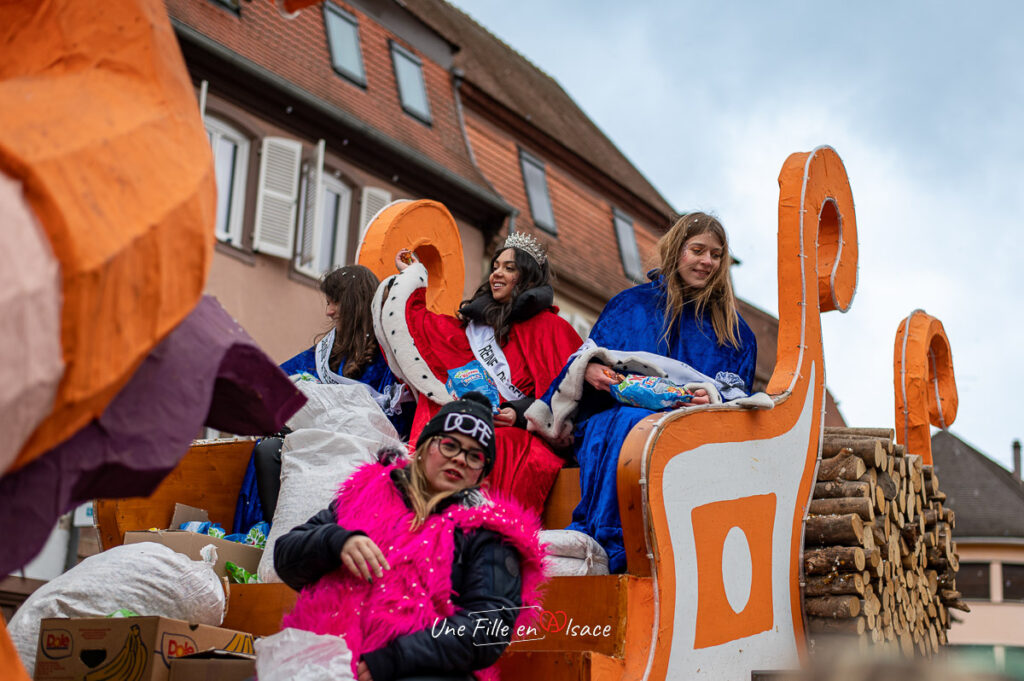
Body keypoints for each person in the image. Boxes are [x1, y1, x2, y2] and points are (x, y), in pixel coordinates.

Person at [527, 212, 761, 573]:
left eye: (715, 255)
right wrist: (588, 369)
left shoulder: (735, 333)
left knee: (644, 424)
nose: (706, 262)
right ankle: (596, 534)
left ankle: (610, 544)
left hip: (689, 433)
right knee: (628, 421)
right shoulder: (629, 305)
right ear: (676, 251)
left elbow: (736, 398)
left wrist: (712, 400)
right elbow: (585, 358)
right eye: (697, 250)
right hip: (613, 420)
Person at [274, 392, 546, 681]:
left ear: (482, 477)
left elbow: (488, 628)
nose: (459, 459)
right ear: (423, 448)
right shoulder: (363, 494)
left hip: (421, 672)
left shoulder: (490, 536)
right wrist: (335, 541)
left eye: (474, 456)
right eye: (449, 445)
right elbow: (286, 559)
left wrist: (393, 659)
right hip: (328, 659)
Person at [375, 233, 582, 514]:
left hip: (522, 433)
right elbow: (427, 331)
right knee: (447, 439)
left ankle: (481, 526)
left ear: (527, 277)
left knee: (492, 445)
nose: (497, 273)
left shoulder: (553, 328)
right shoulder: (477, 326)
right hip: (475, 420)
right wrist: (414, 276)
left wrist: (518, 414)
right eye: (496, 266)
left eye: (509, 268)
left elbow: (566, 393)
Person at [250, 265, 412, 525]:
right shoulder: (325, 352)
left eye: (335, 302)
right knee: (268, 448)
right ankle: (277, 535)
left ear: (355, 304)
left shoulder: (391, 356)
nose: (329, 311)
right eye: (328, 302)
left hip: (365, 450)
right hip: (317, 443)